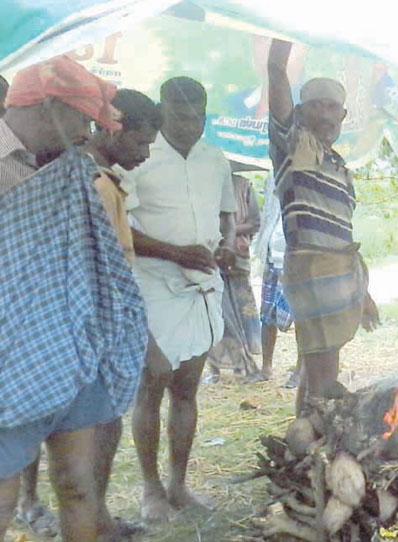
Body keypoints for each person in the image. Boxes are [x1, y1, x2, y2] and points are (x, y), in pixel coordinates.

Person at [0, 56, 148, 542]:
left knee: (78, 485)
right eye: (81, 120)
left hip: (72, 345)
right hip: (11, 356)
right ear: (45, 106)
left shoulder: (69, 169)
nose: (87, 134)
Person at [124, 76, 237, 522]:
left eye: (199, 117)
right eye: (181, 117)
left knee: (188, 389)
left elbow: (229, 215)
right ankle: (150, 489)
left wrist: (228, 243)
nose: (192, 126)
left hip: (203, 288)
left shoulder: (216, 157)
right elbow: (120, 229)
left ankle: (178, 484)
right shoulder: (140, 156)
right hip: (153, 286)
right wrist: (174, 252)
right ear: (162, 111)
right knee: (151, 388)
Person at [267, 39, 380, 413]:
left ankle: (305, 443)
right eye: (317, 105)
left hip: (339, 270)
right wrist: (283, 32)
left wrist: (361, 291)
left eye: (333, 107)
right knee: (324, 375)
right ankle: (319, 443)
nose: (326, 114)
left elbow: (343, 233)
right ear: (300, 111)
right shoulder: (293, 143)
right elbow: (276, 74)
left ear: (344, 116)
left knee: (316, 371)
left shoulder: (339, 166)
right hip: (312, 268)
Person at [82, 88, 161, 540]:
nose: (145, 154)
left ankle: (96, 515)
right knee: (101, 422)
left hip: (106, 317)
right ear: (111, 129)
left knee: (105, 420)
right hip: (101, 320)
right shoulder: (96, 184)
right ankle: (93, 518)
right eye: (139, 143)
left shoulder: (103, 179)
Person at [206, 172, 262, 381]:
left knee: (238, 312)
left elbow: (255, 222)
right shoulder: (202, 183)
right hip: (211, 255)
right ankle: (218, 368)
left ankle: (243, 364)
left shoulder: (242, 185)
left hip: (236, 256)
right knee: (217, 312)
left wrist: (227, 230)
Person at [255, 173, 299, 385]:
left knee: (302, 318)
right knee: (267, 315)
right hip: (272, 255)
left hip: (295, 258)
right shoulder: (271, 178)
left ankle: (301, 370)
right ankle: (266, 366)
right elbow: (267, 215)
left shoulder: (303, 175)